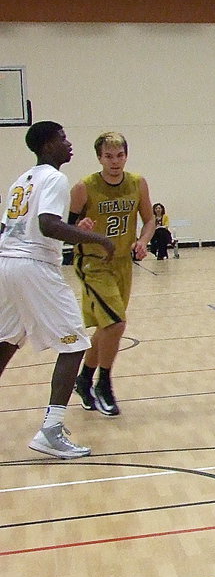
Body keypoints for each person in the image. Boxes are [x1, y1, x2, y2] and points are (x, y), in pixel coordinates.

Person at [1, 122, 115, 458]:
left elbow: (16, 226)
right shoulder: (55, 178)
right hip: (33, 266)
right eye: (63, 138)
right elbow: (47, 225)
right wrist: (98, 239)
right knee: (74, 343)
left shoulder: (22, 180)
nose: (68, 143)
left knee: (7, 339)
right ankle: (50, 430)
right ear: (48, 144)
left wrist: (72, 228)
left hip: (7, 262)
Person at [70, 131, 154, 417]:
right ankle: (104, 383)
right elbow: (64, 226)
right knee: (116, 323)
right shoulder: (84, 187)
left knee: (107, 327)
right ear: (99, 158)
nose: (115, 162)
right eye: (108, 156)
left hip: (122, 262)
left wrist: (143, 240)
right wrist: (80, 226)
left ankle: (83, 380)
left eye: (119, 156)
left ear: (126, 156)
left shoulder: (137, 183)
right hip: (93, 262)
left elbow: (150, 218)